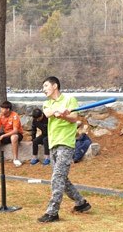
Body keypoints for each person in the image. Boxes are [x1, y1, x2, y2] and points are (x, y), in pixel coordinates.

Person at [38, 76, 91, 222]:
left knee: (57, 177)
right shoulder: (47, 103)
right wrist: (58, 111)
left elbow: (74, 118)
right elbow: (48, 113)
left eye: (46, 86)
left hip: (66, 143)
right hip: (53, 143)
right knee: (62, 178)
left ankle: (52, 212)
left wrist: (64, 116)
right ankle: (81, 203)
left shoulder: (69, 99)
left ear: (55, 86)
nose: (44, 89)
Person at [0, 100, 24, 167]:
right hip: (6, 134)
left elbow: (15, 131)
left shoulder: (15, 115)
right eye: (1, 108)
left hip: (17, 134)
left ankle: (15, 159)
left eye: (3, 108)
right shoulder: (0, 115)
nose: (1, 110)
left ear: (8, 109)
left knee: (13, 137)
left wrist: (3, 136)